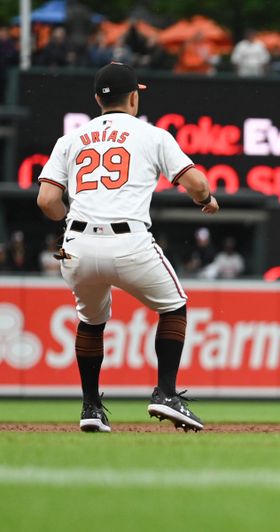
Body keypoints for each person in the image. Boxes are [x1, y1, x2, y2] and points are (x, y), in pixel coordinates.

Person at [36, 62, 220, 433]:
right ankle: (165, 393)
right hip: (129, 242)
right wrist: (207, 199)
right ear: (134, 96)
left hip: (77, 245)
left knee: (90, 321)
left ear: (96, 100)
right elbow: (197, 184)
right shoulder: (152, 135)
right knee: (174, 306)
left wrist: (71, 218)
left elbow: (46, 200)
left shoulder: (71, 139)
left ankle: (90, 407)